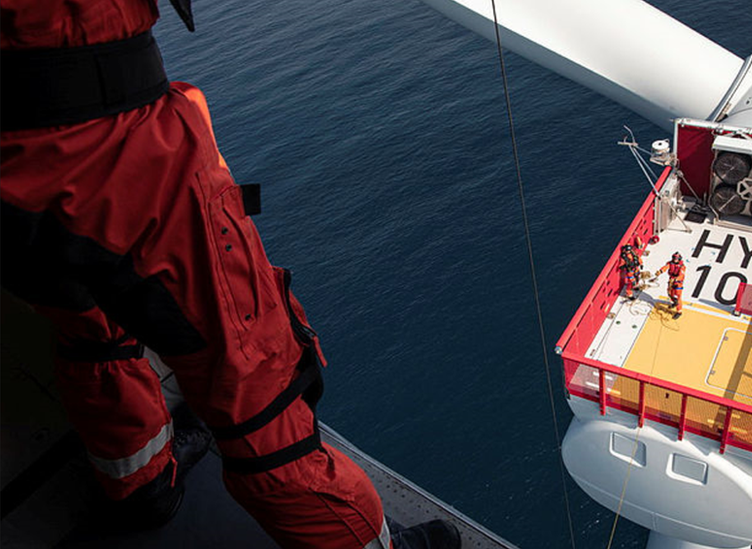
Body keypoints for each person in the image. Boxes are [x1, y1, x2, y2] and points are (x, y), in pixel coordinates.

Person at [0, 1, 458, 547]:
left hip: (18, 165)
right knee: (256, 384)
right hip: (115, 145)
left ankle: (139, 484)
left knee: (89, 326)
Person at [654, 252, 686, 319]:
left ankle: (679, 311)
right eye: (674, 258)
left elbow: (681, 275)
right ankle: (674, 302)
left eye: (676, 258)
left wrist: (676, 279)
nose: (675, 260)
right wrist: (660, 271)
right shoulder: (670, 263)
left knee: (678, 296)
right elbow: (665, 267)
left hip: (678, 283)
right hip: (671, 280)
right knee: (670, 293)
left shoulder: (682, 266)